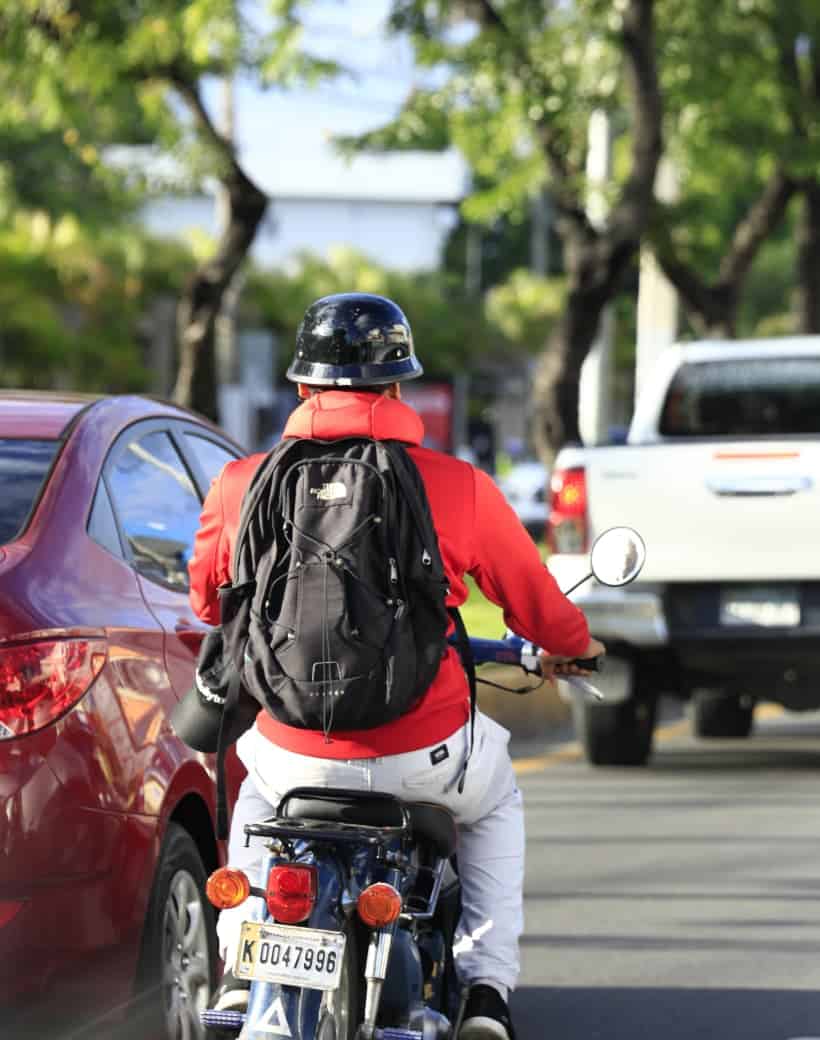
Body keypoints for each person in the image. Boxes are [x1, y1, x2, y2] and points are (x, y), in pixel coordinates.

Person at [188, 292, 605, 1040]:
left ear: (301, 386)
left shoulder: (238, 485)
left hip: (291, 756)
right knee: (496, 804)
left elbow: (204, 598)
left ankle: (245, 966)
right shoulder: (459, 487)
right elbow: (539, 610)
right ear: (398, 386)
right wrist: (576, 649)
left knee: (252, 801)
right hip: (426, 755)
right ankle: (486, 992)